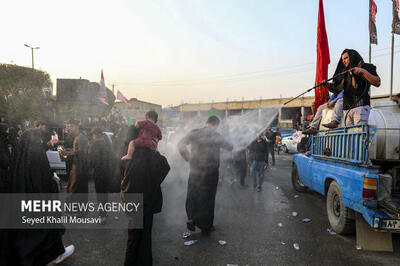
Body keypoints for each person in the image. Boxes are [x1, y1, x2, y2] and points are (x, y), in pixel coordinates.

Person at [7, 129, 74, 265]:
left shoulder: (18, 153)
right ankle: (56, 253)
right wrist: (53, 181)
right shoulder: (37, 153)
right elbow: (43, 180)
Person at [121, 129, 170, 265]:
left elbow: (121, 175)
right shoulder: (153, 156)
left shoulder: (129, 154)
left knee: (133, 237)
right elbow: (162, 172)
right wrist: (156, 152)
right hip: (147, 202)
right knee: (145, 237)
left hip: (132, 201)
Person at [178, 116, 233, 234]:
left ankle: (191, 219)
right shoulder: (216, 135)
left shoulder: (194, 133)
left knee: (193, 195)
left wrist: (188, 157)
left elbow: (180, 144)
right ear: (215, 125)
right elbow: (230, 147)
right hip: (211, 173)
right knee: (208, 198)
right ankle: (206, 226)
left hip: (195, 170)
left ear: (206, 123)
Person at [323, 49, 380, 126]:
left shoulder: (366, 67)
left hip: (360, 107)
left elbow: (377, 82)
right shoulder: (345, 73)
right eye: (342, 59)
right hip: (347, 110)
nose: (343, 61)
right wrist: (328, 85)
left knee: (359, 135)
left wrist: (362, 71)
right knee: (350, 136)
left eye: (346, 58)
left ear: (352, 57)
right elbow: (337, 89)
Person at [60, 120, 89, 196]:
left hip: (80, 166)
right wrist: (67, 150)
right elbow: (76, 150)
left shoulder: (81, 137)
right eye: (68, 126)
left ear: (77, 126)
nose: (69, 128)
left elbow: (81, 151)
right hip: (76, 165)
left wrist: (67, 153)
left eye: (71, 126)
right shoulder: (77, 136)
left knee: (75, 188)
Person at [88, 128, 112, 223]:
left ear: (95, 135)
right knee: (104, 194)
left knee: (100, 194)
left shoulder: (93, 146)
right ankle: (104, 214)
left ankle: (102, 216)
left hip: (98, 173)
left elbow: (92, 161)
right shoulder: (107, 145)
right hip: (107, 172)